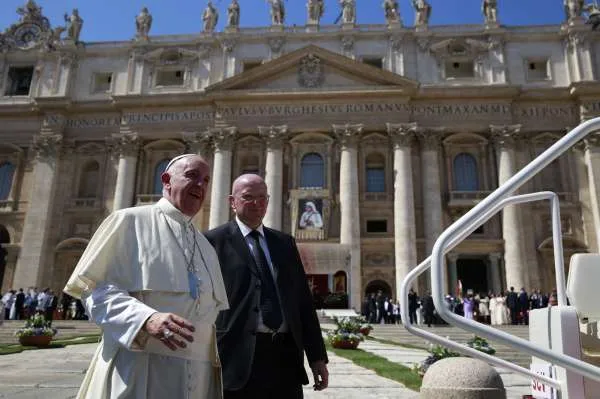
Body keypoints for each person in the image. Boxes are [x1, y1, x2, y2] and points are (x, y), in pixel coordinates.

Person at [63, 154, 229, 399]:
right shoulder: (129, 221)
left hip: (198, 376)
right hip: (138, 368)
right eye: (192, 176)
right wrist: (144, 318)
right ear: (166, 180)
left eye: (206, 180)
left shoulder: (205, 245)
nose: (201, 185)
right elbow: (95, 289)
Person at [204, 174, 328, 398]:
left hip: (285, 357)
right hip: (236, 357)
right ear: (232, 202)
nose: (256, 203)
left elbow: (302, 302)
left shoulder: (284, 243)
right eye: (248, 197)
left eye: (262, 198)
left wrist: (317, 357)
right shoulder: (213, 242)